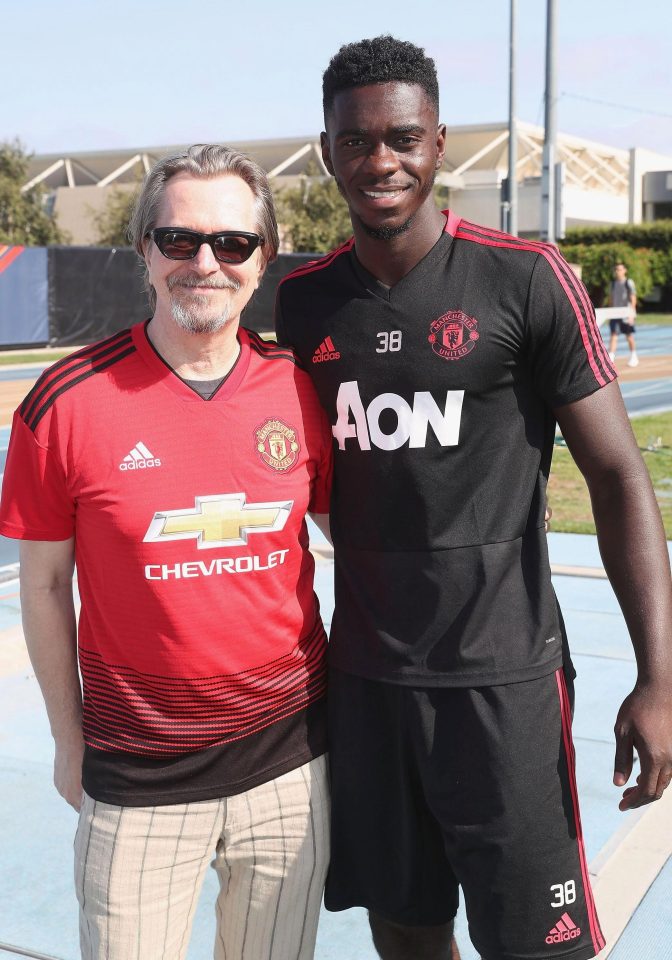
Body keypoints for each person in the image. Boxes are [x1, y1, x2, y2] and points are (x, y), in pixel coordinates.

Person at [275, 36, 672, 960]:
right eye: (358, 141)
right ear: (328, 151)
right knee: (407, 935)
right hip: (368, 684)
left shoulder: (524, 279)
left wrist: (660, 675)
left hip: (505, 686)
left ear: (441, 143)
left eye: (404, 138)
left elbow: (617, 478)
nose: (383, 161)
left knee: (537, 948)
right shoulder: (299, 305)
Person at [0, 145, 334, 960]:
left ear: (263, 260)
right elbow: (43, 588)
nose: (205, 263)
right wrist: (70, 742)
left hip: (292, 768)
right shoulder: (64, 403)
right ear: (144, 251)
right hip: (136, 783)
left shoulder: (303, 390)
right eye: (179, 240)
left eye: (232, 243)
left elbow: (366, 552)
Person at [608, 261, 638, 366]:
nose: (618, 271)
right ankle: (610, 358)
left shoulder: (628, 282)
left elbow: (633, 298)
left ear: (625, 271)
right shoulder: (612, 284)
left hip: (626, 313)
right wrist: (610, 312)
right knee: (613, 335)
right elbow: (611, 299)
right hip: (615, 313)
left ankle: (634, 356)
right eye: (616, 269)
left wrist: (631, 314)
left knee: (628, 335)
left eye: (620, 269)